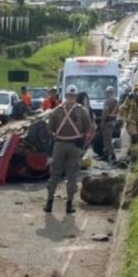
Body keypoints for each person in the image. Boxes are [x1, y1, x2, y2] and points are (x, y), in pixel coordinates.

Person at [45, 84, 93, 215]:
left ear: (65, 96)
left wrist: (57, 136)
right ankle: (69, 204)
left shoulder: (56, 111)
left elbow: (50, 129)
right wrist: (83, 143)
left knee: (55, 174)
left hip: (59, 145)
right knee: (72, 176)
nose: (71, 97)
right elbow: (89, 129)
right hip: (75, 146)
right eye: (72, 96)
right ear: (76, 96)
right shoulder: (82, 111)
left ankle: (49, 203)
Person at [100, 86, 119, 163]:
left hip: (108, 122)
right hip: (113, 122)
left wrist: (102, 123)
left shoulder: (108, 101)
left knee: (107, 140)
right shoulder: (116, 101)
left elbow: (105, 113)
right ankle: (107, 155)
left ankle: (112, 155)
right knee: (107, 139)